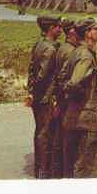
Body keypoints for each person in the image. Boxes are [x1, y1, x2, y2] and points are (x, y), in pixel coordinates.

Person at [62, 18, 97, 178]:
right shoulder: (86, 56)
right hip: (88, 119)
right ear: (88, 33)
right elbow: (73, 83)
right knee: (88, 166)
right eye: (96, 29)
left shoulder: (78, 51)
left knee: (80, 164)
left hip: (79, 117)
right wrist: (79, 96)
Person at [25, 15, 62, 178]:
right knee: (46, 133)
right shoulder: (50, 49)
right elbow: (42, 76)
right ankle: (44, 169)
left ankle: (40, 167)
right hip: (45, 97)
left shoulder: (39, 44)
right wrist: (38, 94)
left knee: (40, 131)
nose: (60, 29)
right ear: (50, 29)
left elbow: (31, 70)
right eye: (57, 27)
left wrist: (31, 91)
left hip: (38, 97)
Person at [49, 18, 80, 178]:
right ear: (72, 32)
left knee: (60, 139)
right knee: (65, 141)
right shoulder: (69, 51)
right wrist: (64, 98)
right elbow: (62, 78)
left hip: (61, 100)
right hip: (66, 101)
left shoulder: (64, 47)